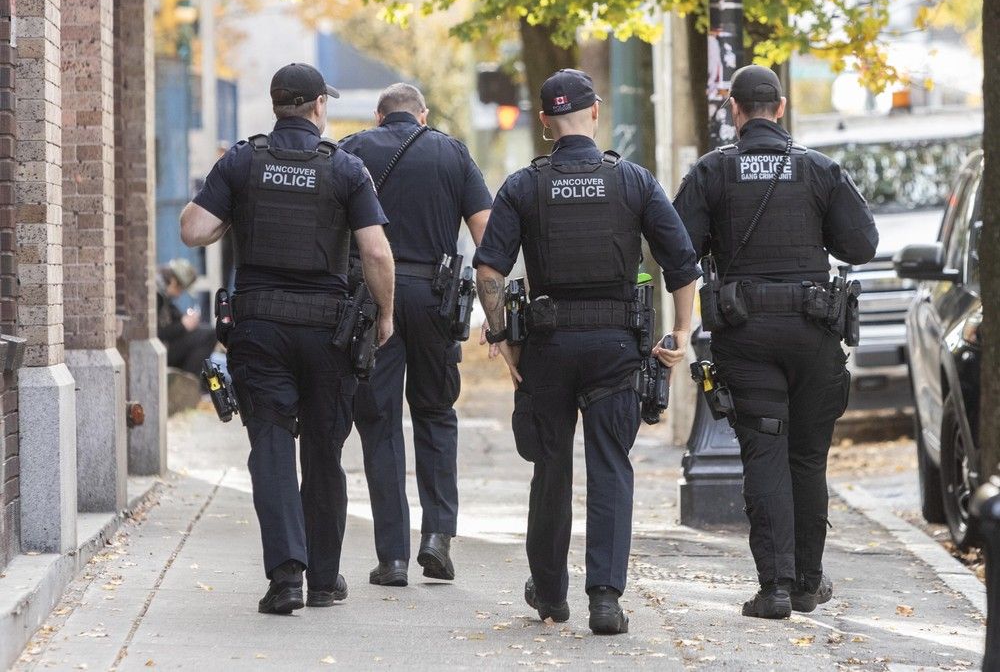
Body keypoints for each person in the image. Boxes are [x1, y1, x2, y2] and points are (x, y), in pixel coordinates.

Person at [473, 69, 700, 634]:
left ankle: (550, 594)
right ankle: (605, 598)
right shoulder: (633, 182)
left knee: (550, 469)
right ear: (594, 112)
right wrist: (682, 334)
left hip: (548, 347)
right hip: (615, 348)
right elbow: (682, 263)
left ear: (546, 123)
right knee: (609, 468)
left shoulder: (524, 185)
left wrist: (505, 342)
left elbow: (489, 270)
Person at [179, 62, 395, 615]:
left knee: (271, 447)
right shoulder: (345, 169)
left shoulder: (243, 162)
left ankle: (286, 578)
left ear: (277, 106)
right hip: (328, 333)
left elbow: (193, 228)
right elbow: (374, 252)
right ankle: (324, 579)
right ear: (319, 106)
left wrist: (233, 213)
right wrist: (387, 315)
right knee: (324, 448)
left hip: (259, 329)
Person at [672, 64, 878, 619]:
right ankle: (809, 583)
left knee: (764, 455)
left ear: (734, 110)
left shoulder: (712, 173)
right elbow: (862, 243)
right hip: (814, 334)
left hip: (747, 337)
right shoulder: (819, 170)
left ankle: (776, 589)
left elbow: (676, 249)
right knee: (808, 459)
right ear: (780, 109)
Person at [339, 83, 492, 587]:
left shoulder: (353, 151)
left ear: (379, 114)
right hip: (435, 296)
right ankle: (438, 536)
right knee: (435, 413)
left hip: (370, 299)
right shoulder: (452, 152)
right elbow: (486, 233)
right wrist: (497, 313)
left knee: (379, 421)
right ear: (422, 116)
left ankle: (393, 558)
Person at [156, 258, 217, 375]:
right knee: (208, 335)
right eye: (181, 289)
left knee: (208, 332)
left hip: (166, 347)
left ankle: (191, 381)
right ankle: (189, 380)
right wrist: (183, 325)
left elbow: (173, 316)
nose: (179, 294)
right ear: (173, 282)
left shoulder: (163, 295)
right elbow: (157, 333)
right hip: (162, 350)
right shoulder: (156, 296)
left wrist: (185, 321)